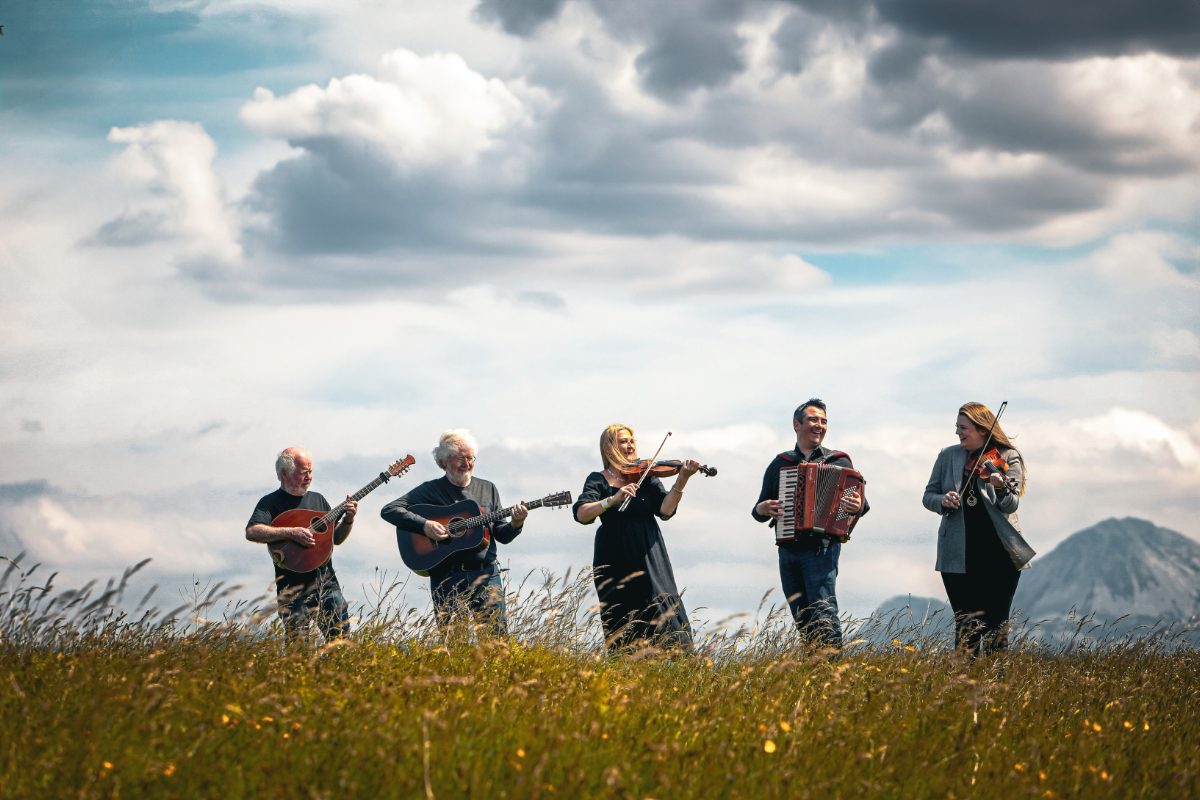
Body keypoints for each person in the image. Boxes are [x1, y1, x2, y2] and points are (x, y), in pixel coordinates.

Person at [381, 429, 527, 635]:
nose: (467, 464)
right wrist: (425, 525)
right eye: (461, 459)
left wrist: (516, 523)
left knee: (496, 641)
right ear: (445, 462)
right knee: (453, 642)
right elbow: (389, 510)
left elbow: (501, 534)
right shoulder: (430, 490)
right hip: (446, 576)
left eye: (470, 458)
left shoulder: (488, 488)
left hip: (486, 573)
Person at [573, 424, 700, 651]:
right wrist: (612, 500)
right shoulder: (598, 479)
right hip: (613, 556)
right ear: (608, 447)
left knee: (664, 612)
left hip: (649, 554)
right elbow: (582, 514)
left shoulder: (647, 476)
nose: (630, 445)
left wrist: (682, 480)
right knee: (621, 623)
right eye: (623, 441)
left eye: (632, 441)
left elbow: (666, 510)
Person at [752, 399, 867, 648]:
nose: (820, 425)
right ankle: (815, 671)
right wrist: (763, 508)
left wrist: (855, 506)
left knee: (824, 614)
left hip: (822, 549)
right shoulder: (780, 464)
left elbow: (861, 506)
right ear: (797, 424)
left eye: (824, 421)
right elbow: (759, 509)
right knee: (802, 619)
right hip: (788, 550)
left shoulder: (839, 462)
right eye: (814, 420)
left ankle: (834, 672)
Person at [922, 402, 1034, 657]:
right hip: (958, 554)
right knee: (966, 628)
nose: (958, 433)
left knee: (997, 628)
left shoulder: (1007, 457)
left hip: (999, 554)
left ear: (982, 430)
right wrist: (942, 501)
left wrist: (1002, 487)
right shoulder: (948, 456)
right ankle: (965, 689)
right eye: (957, 428)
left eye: (963, 428)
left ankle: (997, 689)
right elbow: (928, 496)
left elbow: (1011, 503)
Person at [246, 446, 356, 641]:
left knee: (341, 644)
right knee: (299, 651)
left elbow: (336, 539)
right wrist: (291, 532)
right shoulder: (270, 503)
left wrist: (348, 520)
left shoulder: (318, 500)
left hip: (326, 585)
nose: (309, 477)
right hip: (291, 591)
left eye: (311, 471)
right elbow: (253, 531)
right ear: (284, 475)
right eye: (304, 472)